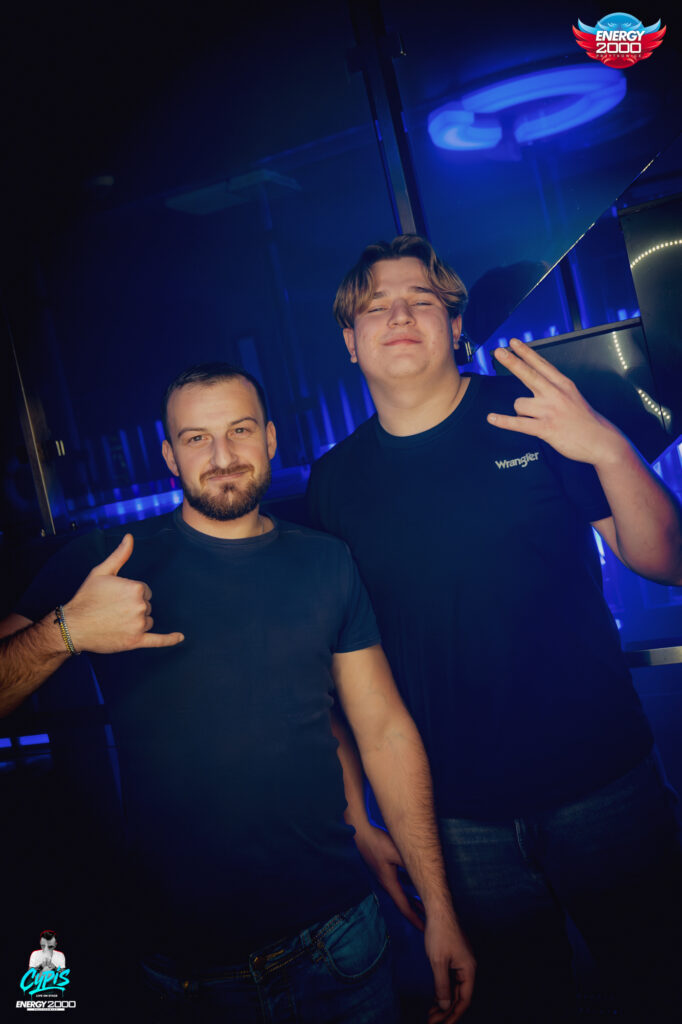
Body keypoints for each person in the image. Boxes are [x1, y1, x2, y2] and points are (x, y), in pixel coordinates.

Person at [0, 362, 475, 1023]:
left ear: (271, 438)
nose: (222, 456)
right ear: (169, 456)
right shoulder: (107, 558)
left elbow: (383, 731)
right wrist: (66, 632)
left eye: (240, 430)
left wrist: (440, 909)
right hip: (188, 973)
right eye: (196, 438)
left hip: (340, 942)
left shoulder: (326, 561)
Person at [306, 235, 682, 1023]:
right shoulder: (333, 483)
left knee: (659, 987)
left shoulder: (532, 412)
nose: (399, 316)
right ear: (350, 341)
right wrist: (356, 813)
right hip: (458, 823)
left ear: (454, 325)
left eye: (420, 301)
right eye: (376, 306)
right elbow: (343, 669)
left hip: (605, 787)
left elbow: (666, 560)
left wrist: (606, 446)